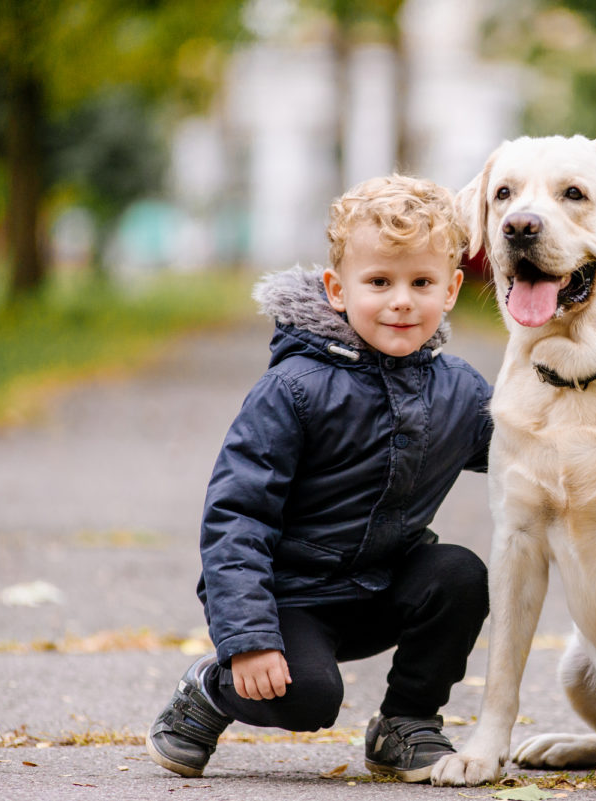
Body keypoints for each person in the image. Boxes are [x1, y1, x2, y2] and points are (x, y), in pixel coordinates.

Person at [147, 175, 493, 783]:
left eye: (422, 283)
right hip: (288, 601)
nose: (402, 301)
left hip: (381, 585)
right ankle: (211, 686)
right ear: (337, 289)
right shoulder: (296, 389)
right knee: (310, 699)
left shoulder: (461, 390)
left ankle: (406, 725)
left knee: (459, 574)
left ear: (452, 289)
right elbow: (237, 513)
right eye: (379, 282)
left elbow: (525, 451)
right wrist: (247, 635)